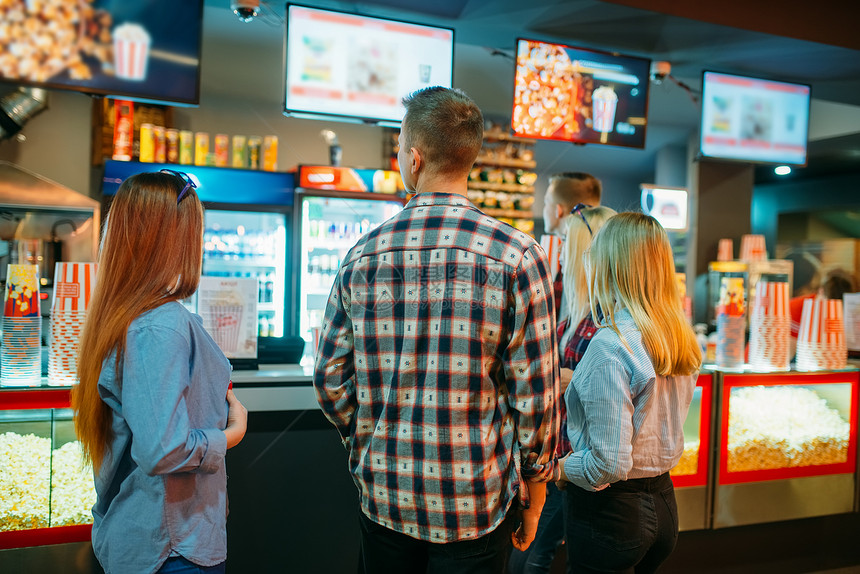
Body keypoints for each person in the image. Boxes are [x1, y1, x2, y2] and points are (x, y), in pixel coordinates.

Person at [314, 86, 560, 574]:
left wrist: (368, 439)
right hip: (475, 502)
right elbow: (536, 396)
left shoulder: (363, 255)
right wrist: (534, 492)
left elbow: (329, 378)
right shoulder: (517, 256)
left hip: (384, 497)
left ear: (415, 158)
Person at [71, 170, 248, 574]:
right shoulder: (160, 324)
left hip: (156, 539)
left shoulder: (129, 316)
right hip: (171, 547)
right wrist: (230, 434)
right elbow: (163, 449)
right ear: (178, 237)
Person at [557, 212, 701, 573]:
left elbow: (607, 465)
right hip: (665, 505)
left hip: (612, 515)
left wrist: (557, 470)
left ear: (610, 267)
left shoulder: (610, 344)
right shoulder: (678, 337)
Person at [509, 204, 616, 574]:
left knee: (529, 558)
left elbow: (611, 392)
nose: (562, 248)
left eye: (569, 240)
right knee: (530, 557)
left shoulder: (605, 317)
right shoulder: (575, 308)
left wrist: (563, 378)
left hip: (573, 463)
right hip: (557, 457)